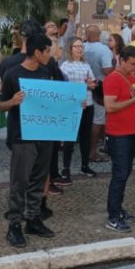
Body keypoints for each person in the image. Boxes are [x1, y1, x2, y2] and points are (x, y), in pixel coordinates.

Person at [0, 33, 58, 248]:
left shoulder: (46, 72)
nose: (50, 55)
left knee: (38, 179)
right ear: (37, 52)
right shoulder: (13, 74)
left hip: (45, 133)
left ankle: (33, 218)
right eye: (48, 51)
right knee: (19, 181)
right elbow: (1, 104)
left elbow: (55, 99)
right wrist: (13, 101)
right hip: (22, 136)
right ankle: (14, 224)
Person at [103, 45, 135, 232]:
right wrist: (134, 100)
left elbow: (133, 104)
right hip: (117, 135)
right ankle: (113, 216)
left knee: (125, 173)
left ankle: (118, 209)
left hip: (131, 132)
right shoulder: (112, 79)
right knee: (119, 174)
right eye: (132, 64)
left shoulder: (132, 78)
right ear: (121, 60)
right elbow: (110, 107)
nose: (134, 68)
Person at [58, 37, 97, 183]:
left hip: (88, 104)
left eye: (81, 46)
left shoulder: (86, 65)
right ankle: (66, 168)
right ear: (70, 48)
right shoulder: (65, 66)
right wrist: (81, 91)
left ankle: (85, 165)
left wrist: (91, 85)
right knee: (69, 138)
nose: (79, 49)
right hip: (73, 106)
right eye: (76, 46)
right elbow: (64, 88)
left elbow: (92, 84)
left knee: (85, 137)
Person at [83, 24, 114, 168]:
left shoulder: (82, 47)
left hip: (84, 86)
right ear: (99, 34)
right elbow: (107, 70)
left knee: (89, 120)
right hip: (99, 87)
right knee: (98, 120)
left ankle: (91, 149)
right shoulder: (104, 49)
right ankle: (92, 152)